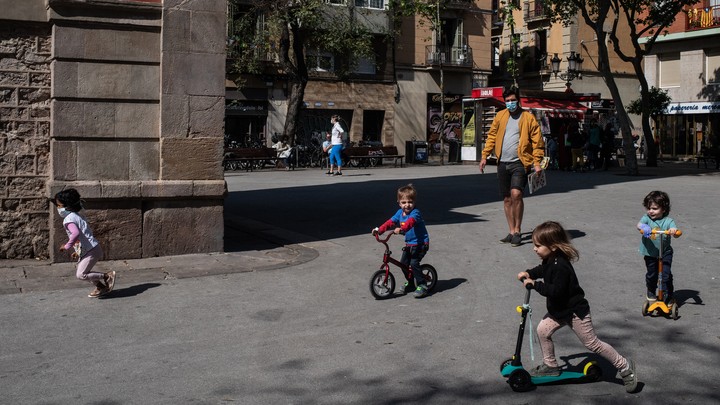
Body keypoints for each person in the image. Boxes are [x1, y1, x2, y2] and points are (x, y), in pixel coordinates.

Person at [517, 221, 638, 393]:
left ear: (553, 246)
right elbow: (542, 270)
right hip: (559, 311)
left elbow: (555, 291)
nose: (534, 249)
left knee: (593, 344)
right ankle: (551, 365)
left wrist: (534, 285)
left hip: (575, 312)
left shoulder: (561, 266)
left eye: (537, 245)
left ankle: (625, 366)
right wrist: (529, 273)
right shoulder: (549, 259)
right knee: (543, 331)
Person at [479, 87, 545, 247]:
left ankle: (517, 230)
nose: (510, 103)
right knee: (507, 199)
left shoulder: (528, 118)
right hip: (502, 163)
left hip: (520, 163)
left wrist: (537, 163)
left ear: (518, 100)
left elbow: (538, 142)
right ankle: (510, 231)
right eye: (507, 101)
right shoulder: (500, 116)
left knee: (516, 194)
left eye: (512, 100)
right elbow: (492, 136)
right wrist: (484, 156)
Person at [51, 188, 115, 298]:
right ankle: (101, 287)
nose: (58, 208)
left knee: (81, 274)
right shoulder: (77, 215)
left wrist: (67, 246)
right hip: (91, 248)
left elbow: (75, 234)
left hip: (91, 250)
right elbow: (81, 235)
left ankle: (106, 276)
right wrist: (78, 251)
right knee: (85, 271)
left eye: (59, 205)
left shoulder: (69, 219)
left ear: (67, 206)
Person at [372, 184, 430, 298]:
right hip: (410, 244)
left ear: (414, 202)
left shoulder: (415, 213)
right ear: (399, 203)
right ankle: (411, 284)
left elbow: (410, 223)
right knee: (403, 264)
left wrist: (402, 229)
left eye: (410, 202)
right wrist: (379, 230)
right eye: (404, 202)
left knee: (413, 263)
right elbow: (390, 222)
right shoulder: (399, 213)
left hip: (421, 243)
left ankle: (422, 285)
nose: (407, 205)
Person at [637, 190, 680, 304]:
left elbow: (675, 233)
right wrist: (644, 227)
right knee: (652, 274)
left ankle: (668, 294)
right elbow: (639, 225)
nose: (651, 211)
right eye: (649, 208)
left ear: (664, 209)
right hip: (650, 252)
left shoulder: (668, 221)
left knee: (665, 275)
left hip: (665, 252)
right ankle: (651, 290)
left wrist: (673, 231)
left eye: (655, 209)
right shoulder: (647, 218)